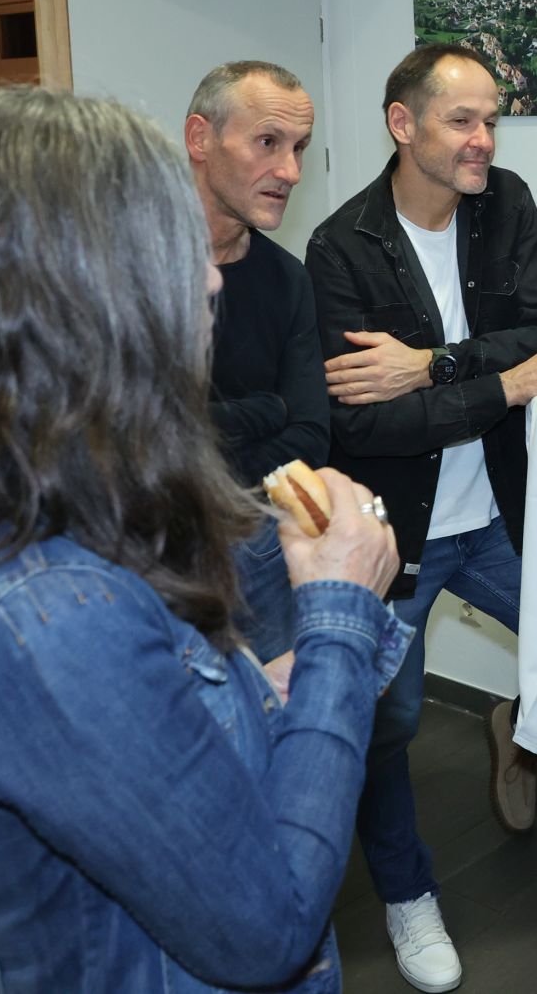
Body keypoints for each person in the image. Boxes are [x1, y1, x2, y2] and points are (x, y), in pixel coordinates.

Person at [0, 85, 412, 992]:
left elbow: (141, 737)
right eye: (168, 247)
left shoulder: (34, 501)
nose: (209, 279)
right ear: (63, 293)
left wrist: (273, 684)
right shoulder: (42, 614)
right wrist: (341, 611)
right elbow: (269, 925)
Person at [308, 43, 537, 988]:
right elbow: (367, 418)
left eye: (491, 120)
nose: (484, 139)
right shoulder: (341, 248)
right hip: (393, 535)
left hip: (504, 517)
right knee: (386, 726)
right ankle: (406, 893)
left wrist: (435, 364)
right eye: (462, 120)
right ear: (403, 125)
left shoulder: (504, 202)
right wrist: (505, 381)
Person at [186, 60, 329, 661]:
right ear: (200, 138)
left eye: (299, 148)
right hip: (142, 554)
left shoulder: (286, 278)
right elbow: (125, 438)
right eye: (268, 142)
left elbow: (311, 436)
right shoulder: (122, 261)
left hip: (256, 544)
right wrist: (266, 410)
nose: (290, 171)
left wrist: (203, 431)